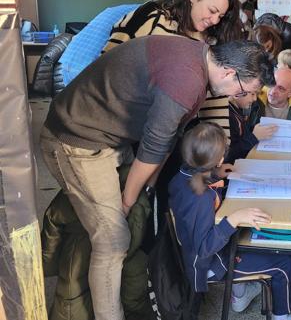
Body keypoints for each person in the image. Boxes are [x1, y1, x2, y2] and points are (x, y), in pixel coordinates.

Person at [39, 36, 271, 320]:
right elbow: (153, 147)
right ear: (229, 72)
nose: (235, 96)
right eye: (242, 90)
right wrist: (127, 200)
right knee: (113, 240)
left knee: (130, 221)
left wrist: (146, 188)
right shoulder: (186, 81)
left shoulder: (199, 61)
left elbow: (169, 137)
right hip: (78, 139)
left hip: (111, 137)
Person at [168, 123, 291, 320]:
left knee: (265, 245)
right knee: (284, 264)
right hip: (212, 264)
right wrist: (234, 219)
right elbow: (203, 248)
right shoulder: (200, 199)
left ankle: (242, 293)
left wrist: (216, 175)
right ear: (218, 159)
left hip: (207, 253)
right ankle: (283, 317)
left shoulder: (182, 175)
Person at [103, 0, 242, 52]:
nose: (215, 20)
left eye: (220, 16)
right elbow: (107, 62)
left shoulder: (210, 38)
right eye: (212, 11)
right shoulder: (153, 16)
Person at [227, 89, 277, 163]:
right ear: (237, 92)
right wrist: (254, 137)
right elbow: (229, 155)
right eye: (252, 94)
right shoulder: (230, 117)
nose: (255, 99)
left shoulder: (238, 110)